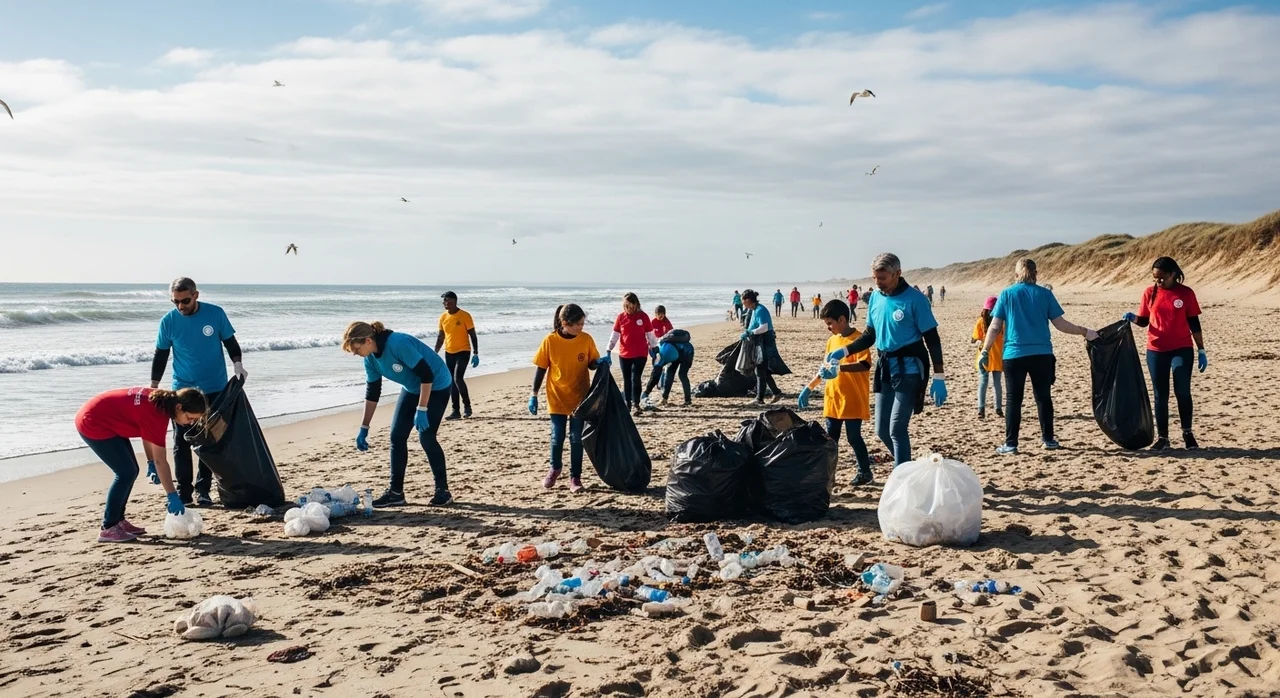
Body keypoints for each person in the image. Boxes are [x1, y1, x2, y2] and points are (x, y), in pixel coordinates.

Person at [826, 253, 947, 466]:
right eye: (874, 278)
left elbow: (932, 340)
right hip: (885, 368)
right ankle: (910, 467)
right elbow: (869, 336)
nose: (877, 283)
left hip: (909, 368)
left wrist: (939, 376)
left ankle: (902, 477)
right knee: (881, 430)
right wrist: (843, 351)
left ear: (897, 274)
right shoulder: (875, 298)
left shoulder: (915, 299)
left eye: (882, 278)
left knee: (897, 429)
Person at [981, 259, 1097, 455]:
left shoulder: (1007, 294)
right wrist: (1084, 331)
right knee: (1043, 398)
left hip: (1014, 355)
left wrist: (985, 350)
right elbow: (1060, 324)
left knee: (1013, 400)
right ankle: (1048, 440)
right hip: (1042, 354)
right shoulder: (1045, 294)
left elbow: (995, 326)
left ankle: (1011, 444)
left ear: (1016, 274)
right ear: (1036, 273)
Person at [151, 277, 245, 507]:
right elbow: (161, 354)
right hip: (181, 391)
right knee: (181, 442)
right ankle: (184, 492)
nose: (180, 306)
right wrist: (153, 385)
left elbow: (230, 343)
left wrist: (238, 364)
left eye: (184, 301)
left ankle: (203, 491)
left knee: (209, 441)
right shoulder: (168, 321)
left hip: (214, 388)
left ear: (196, 295)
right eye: (175, 302)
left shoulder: (215, 314)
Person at [343, 321, 454, 507]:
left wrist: (422, 409)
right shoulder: (370, 359)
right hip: (412, 388)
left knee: (426, 436)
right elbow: (372, 393)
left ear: (368, 340)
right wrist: (364, 427)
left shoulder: (398, 344)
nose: (355, 353)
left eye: (356, 348)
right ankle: (396, 493)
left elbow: (427, 375)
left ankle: (443, 491)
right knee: (397, 436)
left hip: (437, 384)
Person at [76, 386, 207, 542]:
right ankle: (109, 527)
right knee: (125, 473)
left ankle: (119, 521)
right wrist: (172, 495)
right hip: (93, 421)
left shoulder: (163, 402)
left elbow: (147, 434)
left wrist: (150, 462)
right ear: (179, 407)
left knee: (131, 471)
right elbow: (161, 461)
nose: (190, 423)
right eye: (190, 418)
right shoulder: (158, 414)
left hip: (107, 417)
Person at [1123, 257, 1207, 450]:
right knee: (1161, 394)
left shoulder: (1186, 293)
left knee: (1182, 391)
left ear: (1172, 274)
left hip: (1181, 349)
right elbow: (1144, 320)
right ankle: (1163, 438)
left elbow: (1194, 323)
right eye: (1155, 278)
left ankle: (1187, 433)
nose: (1158, 282)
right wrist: (1133, 318)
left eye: (1161, 278)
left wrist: (1201, 349)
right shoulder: (1150, 293)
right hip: (1156, 350)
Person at [529, 304, 610, 492]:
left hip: (580, 398)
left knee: (576, 438)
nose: (582, 327)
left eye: (583, 323)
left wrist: (599, 363)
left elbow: (591, 363)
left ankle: (575, 478)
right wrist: (534, 394)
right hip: (557, 396)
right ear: (565, 323)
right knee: (557, 437)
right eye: (578, 324)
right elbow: (541, 368)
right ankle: (555, 468)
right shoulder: (550, 341)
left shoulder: (586, 339)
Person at [799, 300, 874, 486]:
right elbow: (825, 369)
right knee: (830, 441)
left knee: (854, 437)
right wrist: (809, 387)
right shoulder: (832, 341)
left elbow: (864, 365)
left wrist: (841, 367)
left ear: (842, 319)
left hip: (852, 398)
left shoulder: (859, 339)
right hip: (833, 398)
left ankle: (865, 472)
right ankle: (827, 475)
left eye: (830, 324)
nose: (828, 328)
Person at [607, 293, 659, 417]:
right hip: (624, 354)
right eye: (626, 306)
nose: (629, 309)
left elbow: (650, 335)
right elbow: (615, 335)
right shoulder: (621, 318)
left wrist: (654, 348)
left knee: (636, 378)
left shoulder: (643, 317)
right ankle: (628, 404)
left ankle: (636, 404)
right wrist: (609, 349)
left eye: (631, 306)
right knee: (627, 380)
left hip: (640, 353)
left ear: (636, 304)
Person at [434, 291, 480, 421]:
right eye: (444, 301)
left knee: (457, 378)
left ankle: (467, 407)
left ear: (454, 301)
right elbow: (441, 336)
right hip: (449, 352)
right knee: (451, 381)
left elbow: (473, 335)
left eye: (447, 301)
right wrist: (435, 352)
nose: (445, 303)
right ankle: (455, 411)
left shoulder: (465, 315)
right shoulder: (443, 317)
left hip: (463, 351)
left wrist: (476, 353)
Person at [740, 289, 784, 405]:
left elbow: (764, 327)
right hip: (759, 342)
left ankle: (759, 399)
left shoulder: (760, 310)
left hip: (764, 342)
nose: (743, 304)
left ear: (748, 300)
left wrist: (750, 333)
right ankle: (776, 392)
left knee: (760, 369)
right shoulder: (754, 310)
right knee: (764, 370)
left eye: (743, 302)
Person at [971, 296, 1004, 419]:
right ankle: (998, 408)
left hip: (983, 356)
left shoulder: (981, 321)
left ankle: (981, 409)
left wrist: (975, 339)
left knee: (983, 382)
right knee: (997, 384)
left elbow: (975, 338)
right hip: (997, 356)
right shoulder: (1002, 322)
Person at [643, 333, 695, 407]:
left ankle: (687, 400)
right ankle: (665, 399)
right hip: (677, 351)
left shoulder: (663, 356)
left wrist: (647, 391)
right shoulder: (661, 348)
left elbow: (655, 375)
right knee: (670, 374)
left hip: (687, 352)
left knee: (682, 375)